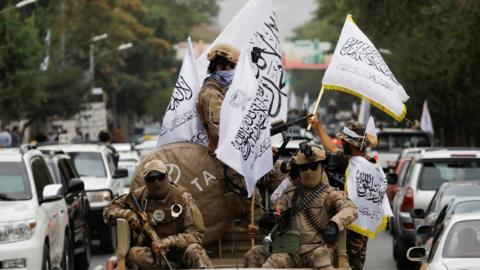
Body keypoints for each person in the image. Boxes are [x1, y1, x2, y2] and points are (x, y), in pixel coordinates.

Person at [244, 144, 358, 269]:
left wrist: (334, 224)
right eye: (304, 168)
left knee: (321, 257)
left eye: (314, 167)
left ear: (322, 167)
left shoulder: (330, 194)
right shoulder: (290, 194)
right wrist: (271, 219)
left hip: (318, 249)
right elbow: (278, 212)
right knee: (273, 262)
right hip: (291, 250)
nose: (309, 171)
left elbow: (350, 209)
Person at [103, 160, 213, 269]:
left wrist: (168, 242)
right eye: (151, 179)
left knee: (196, 251)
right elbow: (108, 211)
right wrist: (128, 214)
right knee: (134, 254)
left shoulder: (183, 197)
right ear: (145, 181)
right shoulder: (140, 196)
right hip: (152, 255)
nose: (156, 182)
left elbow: (196, 234)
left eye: (160, 177)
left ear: (167, 176)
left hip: (179, 252)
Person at [308, 115, 385, 270]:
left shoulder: (362, 165)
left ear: (352, 144)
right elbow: (332, 148)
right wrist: (317, 126)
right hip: (344, 225)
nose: (341, 142)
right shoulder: (364, 162)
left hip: (355, 230)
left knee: (350, 265)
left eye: (344, 140)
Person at [196, 43, 239, 154]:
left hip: (234, 153)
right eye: (233, 67)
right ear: (219, 67)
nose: (237, 71)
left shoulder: (225, 89)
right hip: (222, 159)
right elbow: (221, 132)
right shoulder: (211, 94)